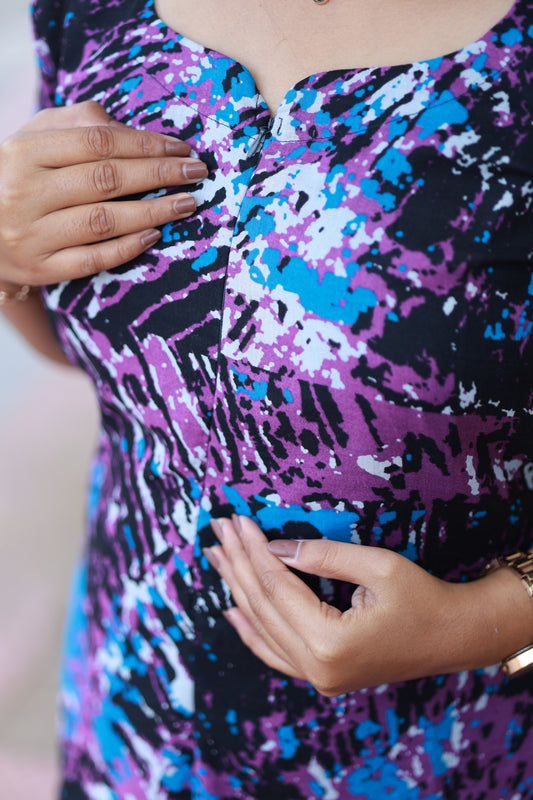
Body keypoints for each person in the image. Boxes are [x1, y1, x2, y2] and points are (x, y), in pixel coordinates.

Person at [1, 0, 532, 796]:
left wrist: (491, 621)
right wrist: (10, 263)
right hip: (134, 738)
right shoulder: (88, 12)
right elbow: (122, 365)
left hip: (457, 753)